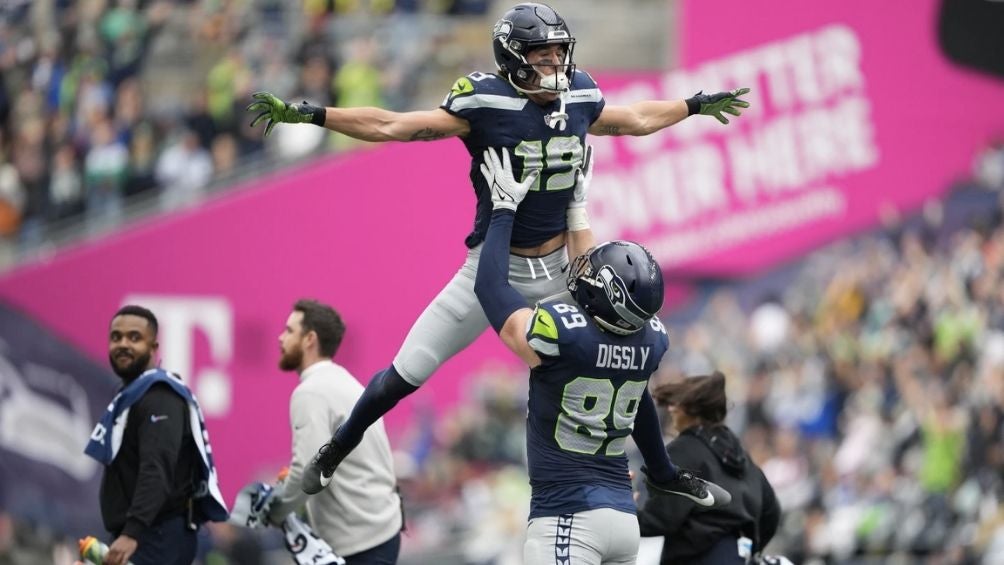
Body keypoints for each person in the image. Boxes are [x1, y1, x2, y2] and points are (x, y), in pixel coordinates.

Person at [247, 1, 750, 494]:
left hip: (563, 271)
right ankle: (337, 447)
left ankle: (662, 473)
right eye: (543, 55)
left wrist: (692, 105)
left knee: (623, 358)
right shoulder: (484, 101)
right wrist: (314, 114)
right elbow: (392, 125)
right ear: (513, 58)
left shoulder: (579, 92)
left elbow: (635, 118)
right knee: (406, 372)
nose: (556, 64)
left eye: (560, 53)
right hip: (491, 269)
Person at [467, 146, 731, 564]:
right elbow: (637, 398)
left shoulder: (561, 334)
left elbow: (489, 287)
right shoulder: (648, 341)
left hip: (567, 518)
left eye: (593, 274)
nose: (585, 273)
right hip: (622, 519)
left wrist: (503, 212)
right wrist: (577, 209)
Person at [84, 305, 228, 565]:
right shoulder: (135, 394)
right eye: (116, 337)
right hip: (148, 534)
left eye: (134, 337)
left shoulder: (159, 395)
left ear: (154, 347)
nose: (123, 344)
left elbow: (157, 468)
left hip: (156, 536)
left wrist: (132, 532)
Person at [266, 299, 403, 564]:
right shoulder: (344, 381)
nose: (281, 337)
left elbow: (305, 471)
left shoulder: (311, 392)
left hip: (360, 543)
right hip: (379, 532)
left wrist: (275, 511)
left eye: (290, 330)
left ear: (310, 339)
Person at [637, 372, 782, 565]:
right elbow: (771, 514)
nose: (671, 409)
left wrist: (628, 512)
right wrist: (751, 546)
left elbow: (661, 519)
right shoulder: (740, 454)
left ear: (693, 410)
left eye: (677, 403)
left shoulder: (683, 450)